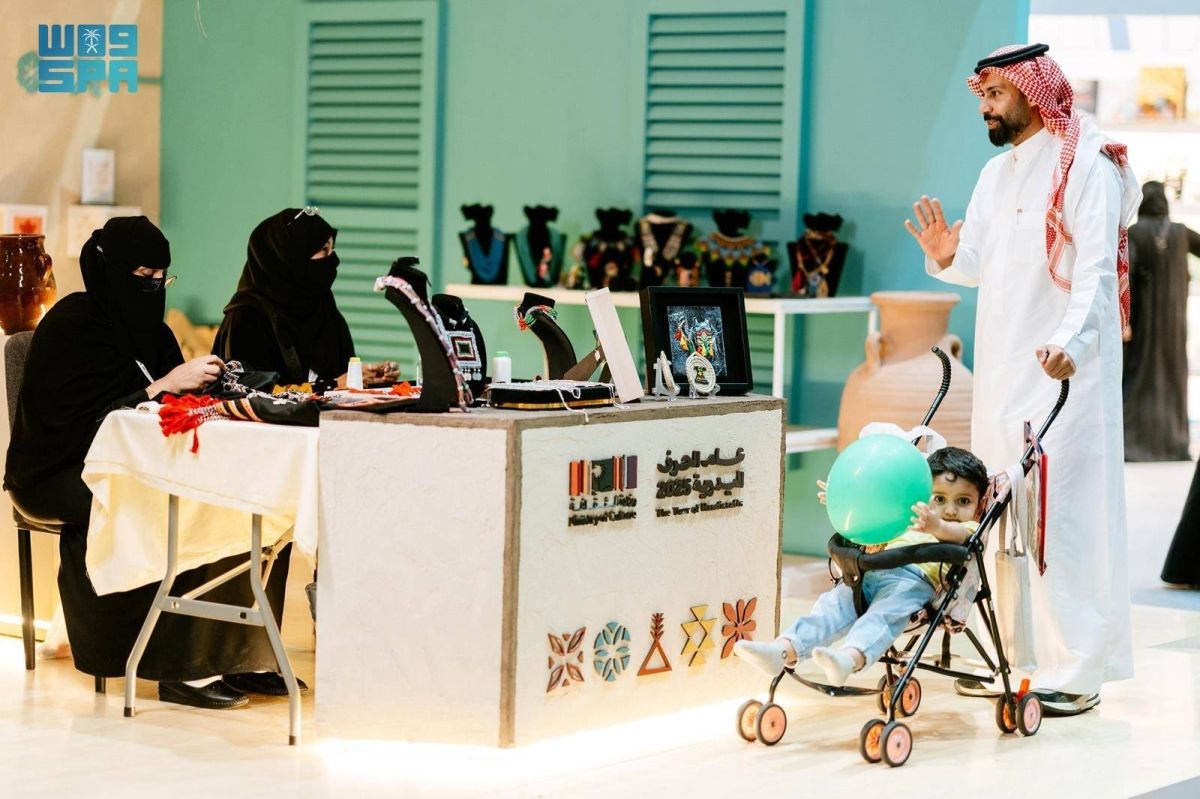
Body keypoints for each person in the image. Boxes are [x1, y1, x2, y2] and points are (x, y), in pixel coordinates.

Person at [904, 44, 1140, 715]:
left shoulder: (1087, 164)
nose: (985, 106)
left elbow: (1094, 271)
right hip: (1004, 376)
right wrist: (947, 257)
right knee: (1001, 516)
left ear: (1034, 95)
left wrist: (1071, 343)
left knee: (1062, 518)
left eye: (996, 93)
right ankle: (1015, 658)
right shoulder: (994, 173)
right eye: (981, 94)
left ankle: (1081, 668)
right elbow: (978, 261)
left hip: (1066, 379)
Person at [4, 216, 296, 709]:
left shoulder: (152, 331)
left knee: (240, 497)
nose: (155, 288)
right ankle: (178, 666)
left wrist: (209, 387)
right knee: (172, 506)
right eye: (144, 277)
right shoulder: (71, 327)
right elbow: (78, 429)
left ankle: (238, 654)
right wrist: (161, 387)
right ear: (111, 272)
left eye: (163, 278)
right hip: (56, 471)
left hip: (133, 462)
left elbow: (164, 411)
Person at [735, 448, 985, 686]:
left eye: (963, 501)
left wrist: (937, 526)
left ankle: (849, 658)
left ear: (978, 505)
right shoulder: (906, 516)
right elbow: (872, 519)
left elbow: (958, 535)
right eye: (939, 499)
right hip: (869, 571)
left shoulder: (967, 528)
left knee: (883, 615)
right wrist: (842, 502)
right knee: (830, 607)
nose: (950, 510)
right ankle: (782, 650)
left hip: (913, 583)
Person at [211, 207, 396, 386]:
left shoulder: (321, 304)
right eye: (323, 250)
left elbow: (343, 377)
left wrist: (370, 379)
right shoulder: (247, 316)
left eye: (332, 249)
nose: (333, 259)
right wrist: (333, 385)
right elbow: (247, 392)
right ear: (290, 256)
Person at [1123, 181, 1200, 461]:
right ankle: (1173, 445)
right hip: (1173, 324)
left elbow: (1126, 274)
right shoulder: (1181, 233)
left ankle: (1136, 446)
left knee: (1138, 379)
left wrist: (1125, 319)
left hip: (1141, 326)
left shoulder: (1134, 233)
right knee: (1172, 379)